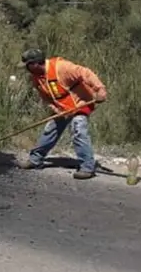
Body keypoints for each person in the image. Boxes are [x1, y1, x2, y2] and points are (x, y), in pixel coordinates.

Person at [17, 48, 107, 180]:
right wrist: (55, 109)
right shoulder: (37, 78)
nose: (26, 69)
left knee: (78, 129)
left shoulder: (61, 67)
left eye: (27, 65)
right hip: (62, 108)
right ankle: (35, 160)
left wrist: (100, 89)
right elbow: (45, 97)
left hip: (80, 103)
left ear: (35, 63)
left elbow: (85, 72)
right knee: (50, 129)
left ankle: (87, 167)